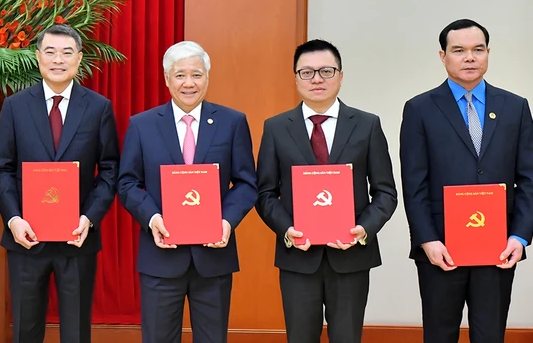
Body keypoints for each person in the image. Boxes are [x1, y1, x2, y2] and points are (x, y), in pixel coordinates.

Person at [400, 19, 533, 343]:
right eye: (459, 50)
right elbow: (413, 183)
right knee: (440, 334)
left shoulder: (515, 107)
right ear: (443, 56)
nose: (469, 58)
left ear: (488, 53)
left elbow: (528, 178)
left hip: (498, 248)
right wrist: (427, 240)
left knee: (490, 335)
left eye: (478, 50)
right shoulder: (420, 108)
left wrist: (520, 236)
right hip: (441, 248)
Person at [256, 39, 397, 343]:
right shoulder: (276, 128)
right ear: (295, 78)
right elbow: (265, 193)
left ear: (341, 76)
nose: (317, 79)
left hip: (351, 258)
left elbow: (385, 193)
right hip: (298, 258)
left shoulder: (367, 125)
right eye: (306, 72)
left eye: (326, 71)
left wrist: (363, 230)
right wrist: (286, 229)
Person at [117, 40, 257, 343]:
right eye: (180, 75)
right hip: (160, 256)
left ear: (207, 77)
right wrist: (152, 217)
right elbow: (127, 183)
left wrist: (227, 221)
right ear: (167, 79)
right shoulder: (142, 125)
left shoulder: (232, 122)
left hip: (214, 258)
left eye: (197, 74)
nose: (189, 83)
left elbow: (246, 183)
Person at [0, 24, 119, 343]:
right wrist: (14, 219)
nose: (57, 60)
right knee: (25, 329)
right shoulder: (15, 106)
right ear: (37, 58)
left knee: (76, 331)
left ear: (78, 59)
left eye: (66, 53)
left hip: (77, 239)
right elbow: (2, 169)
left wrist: (88, 218)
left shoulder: (98, 107)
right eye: (50, 52)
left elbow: (110, 170)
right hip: (26, 239)